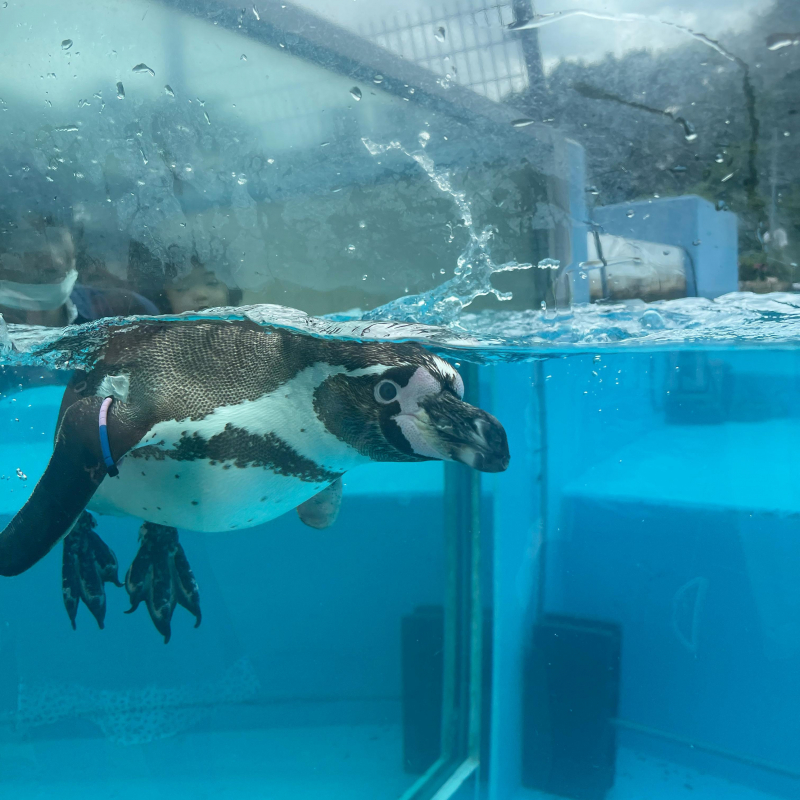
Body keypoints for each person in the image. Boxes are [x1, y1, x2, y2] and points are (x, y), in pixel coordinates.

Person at [0, 218, 159, 392]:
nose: (54, 260)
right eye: (29, 241)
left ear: (74, 244)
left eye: (55, 237)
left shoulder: (129, 310)